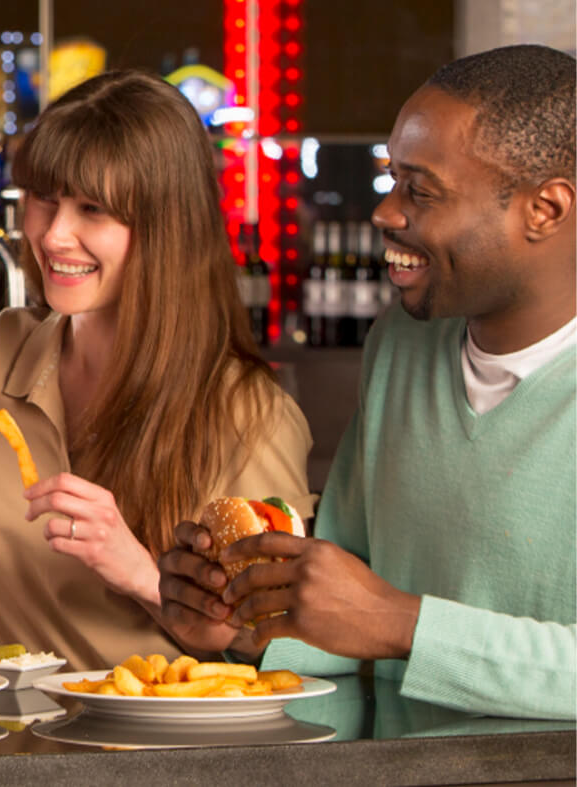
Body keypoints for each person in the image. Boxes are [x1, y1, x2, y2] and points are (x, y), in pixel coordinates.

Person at [158, 44, 575, 721]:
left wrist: (405, 623)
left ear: (545, 210)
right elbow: (346, 612)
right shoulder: (402, 341)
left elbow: (380, 620)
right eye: (392, 179)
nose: (385, 212)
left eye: (422, 189)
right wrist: (243, 627)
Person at [0, 71, 314, 671]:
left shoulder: (249, 413)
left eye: (94, 209)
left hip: (167, 761)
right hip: (8, 758)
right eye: (44, 199)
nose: (55, 234)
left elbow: (283, 656)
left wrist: (141, 573)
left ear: (167, 228)